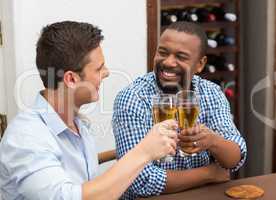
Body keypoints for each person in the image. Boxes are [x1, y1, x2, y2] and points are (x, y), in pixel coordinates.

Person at [0, 21, 178, 200]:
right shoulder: (26, 137)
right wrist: (143, 152)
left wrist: (131, 149)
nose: (107, 73)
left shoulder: (76, 122)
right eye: (99, 69)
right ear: (71, 79)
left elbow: (70, 167)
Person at [113, 21, 247, 199]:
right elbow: (139, 181)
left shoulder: (211, 92)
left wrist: (213, 141)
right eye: (163, 52)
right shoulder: (133, 98)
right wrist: (210, 174)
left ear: (200, 64)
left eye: (181, 57)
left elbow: (236, 158)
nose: (168, 62)